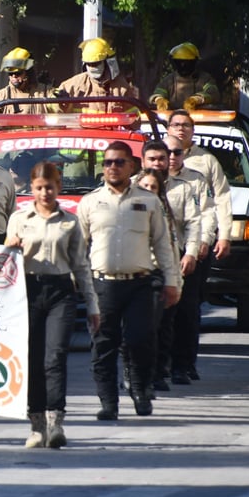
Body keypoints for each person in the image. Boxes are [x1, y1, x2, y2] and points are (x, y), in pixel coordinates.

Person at [76, 141, 179, 420]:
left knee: (140, 340)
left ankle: (141, 389)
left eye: (119, 162)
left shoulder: (148, 201)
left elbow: (162, 245)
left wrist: (172, 281)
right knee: (103, 345)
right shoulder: (90, 202)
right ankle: (108, 402)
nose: (113, 167)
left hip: (139, 284)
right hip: (103, 285)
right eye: (108, 162)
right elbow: (78, 248)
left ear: (131, 166)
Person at [4, 161, 99, 449]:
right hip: (29, 291)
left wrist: (92, 305)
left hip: (60, 290)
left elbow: (81, 266)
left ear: (58, 187)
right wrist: (10, 244)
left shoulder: (70, 222)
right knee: (32, 358)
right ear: (31, 189)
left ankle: (55, 421)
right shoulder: (20, 219)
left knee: (54, 357)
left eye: (50, 187)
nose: (45, 193)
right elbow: (4, 260)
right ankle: (36, 425)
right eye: (39, 188)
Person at [166, 110, 232, 381]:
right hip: (161, 250)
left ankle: (185, 363)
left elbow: (219, 201)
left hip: (194, 247)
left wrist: (219, 236)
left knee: (187, 308)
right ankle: (160, 363)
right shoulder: (156, 158)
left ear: (193, 130)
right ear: (168, 128)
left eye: (186, 125)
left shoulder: (206, 161)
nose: (181, 129)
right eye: (176, 125)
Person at [139, 141, 202, 392]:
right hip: (138, 265)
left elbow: (193, 223)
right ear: (143, 161)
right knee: (142, 323)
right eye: (152, 159)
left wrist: (192, 253)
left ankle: (168, 369)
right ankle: (140, 371)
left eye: (161, 159)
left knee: (170, 320)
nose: (157, 164)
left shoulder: (183, 189)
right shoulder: (133, 186)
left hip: (172, 261)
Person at [56, 38, 139, 113]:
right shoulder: (74, 85)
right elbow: (53, 109)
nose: (92, 68)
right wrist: (60, 102)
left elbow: (134, 120)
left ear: (106, 62)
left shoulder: (121, 87)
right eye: (89, 64)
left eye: (96, 63)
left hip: (112, 130)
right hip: (83, 130)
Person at [0, 47, 49, 123]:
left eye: (18, 73)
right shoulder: (1, 97)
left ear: (28, 72)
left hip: (39, 135)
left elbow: (58, 108)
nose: (13, 76)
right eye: (10, 73)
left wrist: (59, 95)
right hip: (11, 134)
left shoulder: (45, 92)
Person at [149, 42, 220, 111]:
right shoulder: (169, 80)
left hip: (199, 119)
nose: (183, 65)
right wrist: (159, 99)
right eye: (179, 62)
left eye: (187, 62)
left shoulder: (205, 78)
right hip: (173, 119)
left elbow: (213, 93)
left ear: (195, 62)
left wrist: (197, 99)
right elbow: (158, 92)